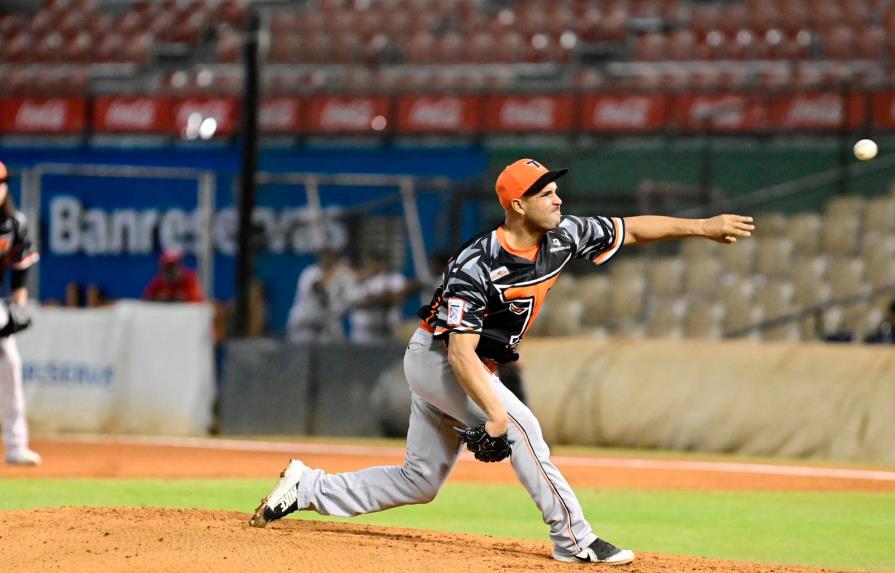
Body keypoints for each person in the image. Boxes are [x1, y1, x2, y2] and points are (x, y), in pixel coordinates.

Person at [249, 158, 755, 565]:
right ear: (517, 204)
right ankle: (574, 540)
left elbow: (633, 228)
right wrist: (494, 414)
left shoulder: (563, 235)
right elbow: (460, 350)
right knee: (521, 426)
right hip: (439, 360)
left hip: (466, 365)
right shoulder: (477, 264)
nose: (557, 198)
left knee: (419, 482)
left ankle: (308, 486)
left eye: (555, 189)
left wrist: (702, 226)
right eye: (545, 192)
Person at [0, 161, 42, 466]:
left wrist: (18, 306)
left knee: (11, 364)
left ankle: (16, 445)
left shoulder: (14, 223)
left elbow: (21, 269)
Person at [286, 248, 355, 343]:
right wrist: (336, 271)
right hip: (304, 326)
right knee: (300, 356)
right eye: (327, 257)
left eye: (333, 258)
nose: (330, 261)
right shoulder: (311, 272)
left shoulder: (337, 277)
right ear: (320, 258)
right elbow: (317, 288)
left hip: (322, 328)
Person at [347, 252, 407, 344]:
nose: (375, 265)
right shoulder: (360, 279)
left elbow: (397, 298)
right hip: (362, 329)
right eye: (372, 262)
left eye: (378, 262)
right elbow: (353, 301)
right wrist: (375, 299)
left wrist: (377, 299)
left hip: (387, 328)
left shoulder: (394, 278)